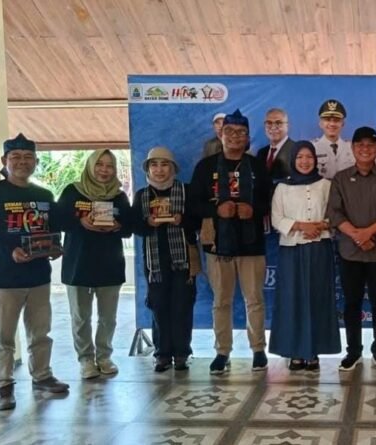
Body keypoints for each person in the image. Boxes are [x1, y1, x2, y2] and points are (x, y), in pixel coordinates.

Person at [0, 134, 69, 411]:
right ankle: (3, 385)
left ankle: (42, 376)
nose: (22, 162)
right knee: (3, 337)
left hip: (38, 277)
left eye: (28, 157)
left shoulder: (43, 196)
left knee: (41, 332)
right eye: (16, 157)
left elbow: (53, 228)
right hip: (2, 280)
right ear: (4, 161)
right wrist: (10, 252)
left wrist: (56, 247)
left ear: (36, 162)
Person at [190, 109, 272, 375]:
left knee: (254, 300)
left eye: (241, 132)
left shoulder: (257, 167)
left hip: (252, 243)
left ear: (248, 138)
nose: (235, 136)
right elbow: (194, 204)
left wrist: (254, 210)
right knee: (221, 301)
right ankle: (222, 352)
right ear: (221, 135)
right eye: (229, 131)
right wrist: (216, 210)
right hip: (218, 243)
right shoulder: (206, 167)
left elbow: (270, 200)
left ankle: (258, 349)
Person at [327, 127, 376, 373]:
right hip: (350, 252)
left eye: (370, 145)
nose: (365, 149)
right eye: (360, 145)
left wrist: (368, 233)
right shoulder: (340, 178)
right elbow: (334, 213)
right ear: (353, 148)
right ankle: (353, 352)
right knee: (352, 304)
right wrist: (358, 236)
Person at [58, 149, 132, 379]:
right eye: (99, 164)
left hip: (109, 263)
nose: (104, 170)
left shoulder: (118, 196)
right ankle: (85, 359)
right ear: (90, 166)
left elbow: (129, 228)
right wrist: (80, 221)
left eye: (109, 166)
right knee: (80, 316)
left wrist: (117, 226)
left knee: (108, 317)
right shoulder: (73, 191)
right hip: (78, 263)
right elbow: (59, 221)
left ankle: (104, 356)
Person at [269, 141, 341, 371]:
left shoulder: (326, 185)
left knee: (317, 298)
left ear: (315, 159)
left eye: (309, 156)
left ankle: (313, 352)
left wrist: (318, 227)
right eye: (299, 157)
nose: (304, 161)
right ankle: (295, 352)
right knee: (293, 299)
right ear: (293, 160)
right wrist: (301, 226)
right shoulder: (282, 188)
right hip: (292, 250)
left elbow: (335, 215)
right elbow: (276, 219)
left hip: (319, 248)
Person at [132, 146, 201, 372]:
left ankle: (182, 353)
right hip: (155, 263)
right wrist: (147, 223)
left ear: (172, 168)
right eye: (154, 165)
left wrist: (182, 220)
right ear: (148, 169)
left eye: (164, 165)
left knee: (182, 306)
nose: (159, 170)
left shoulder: (186, 191)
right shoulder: (142, 195)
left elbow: (198, 221)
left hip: (183, 260)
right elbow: (135, 226)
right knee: (159, 306)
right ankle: (162, 354)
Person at [312, 99, 354, 179]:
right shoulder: (313, 148)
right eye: (327, 120)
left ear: (343, 124)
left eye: (336, 120)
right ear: (320, 123)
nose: (332, 124)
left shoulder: (351, 148)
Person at [258, 107, 297, 182]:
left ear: (287, 126)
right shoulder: (261, 153)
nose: (273, 127)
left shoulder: (296, 150)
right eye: (269, 123)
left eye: (278, 123)